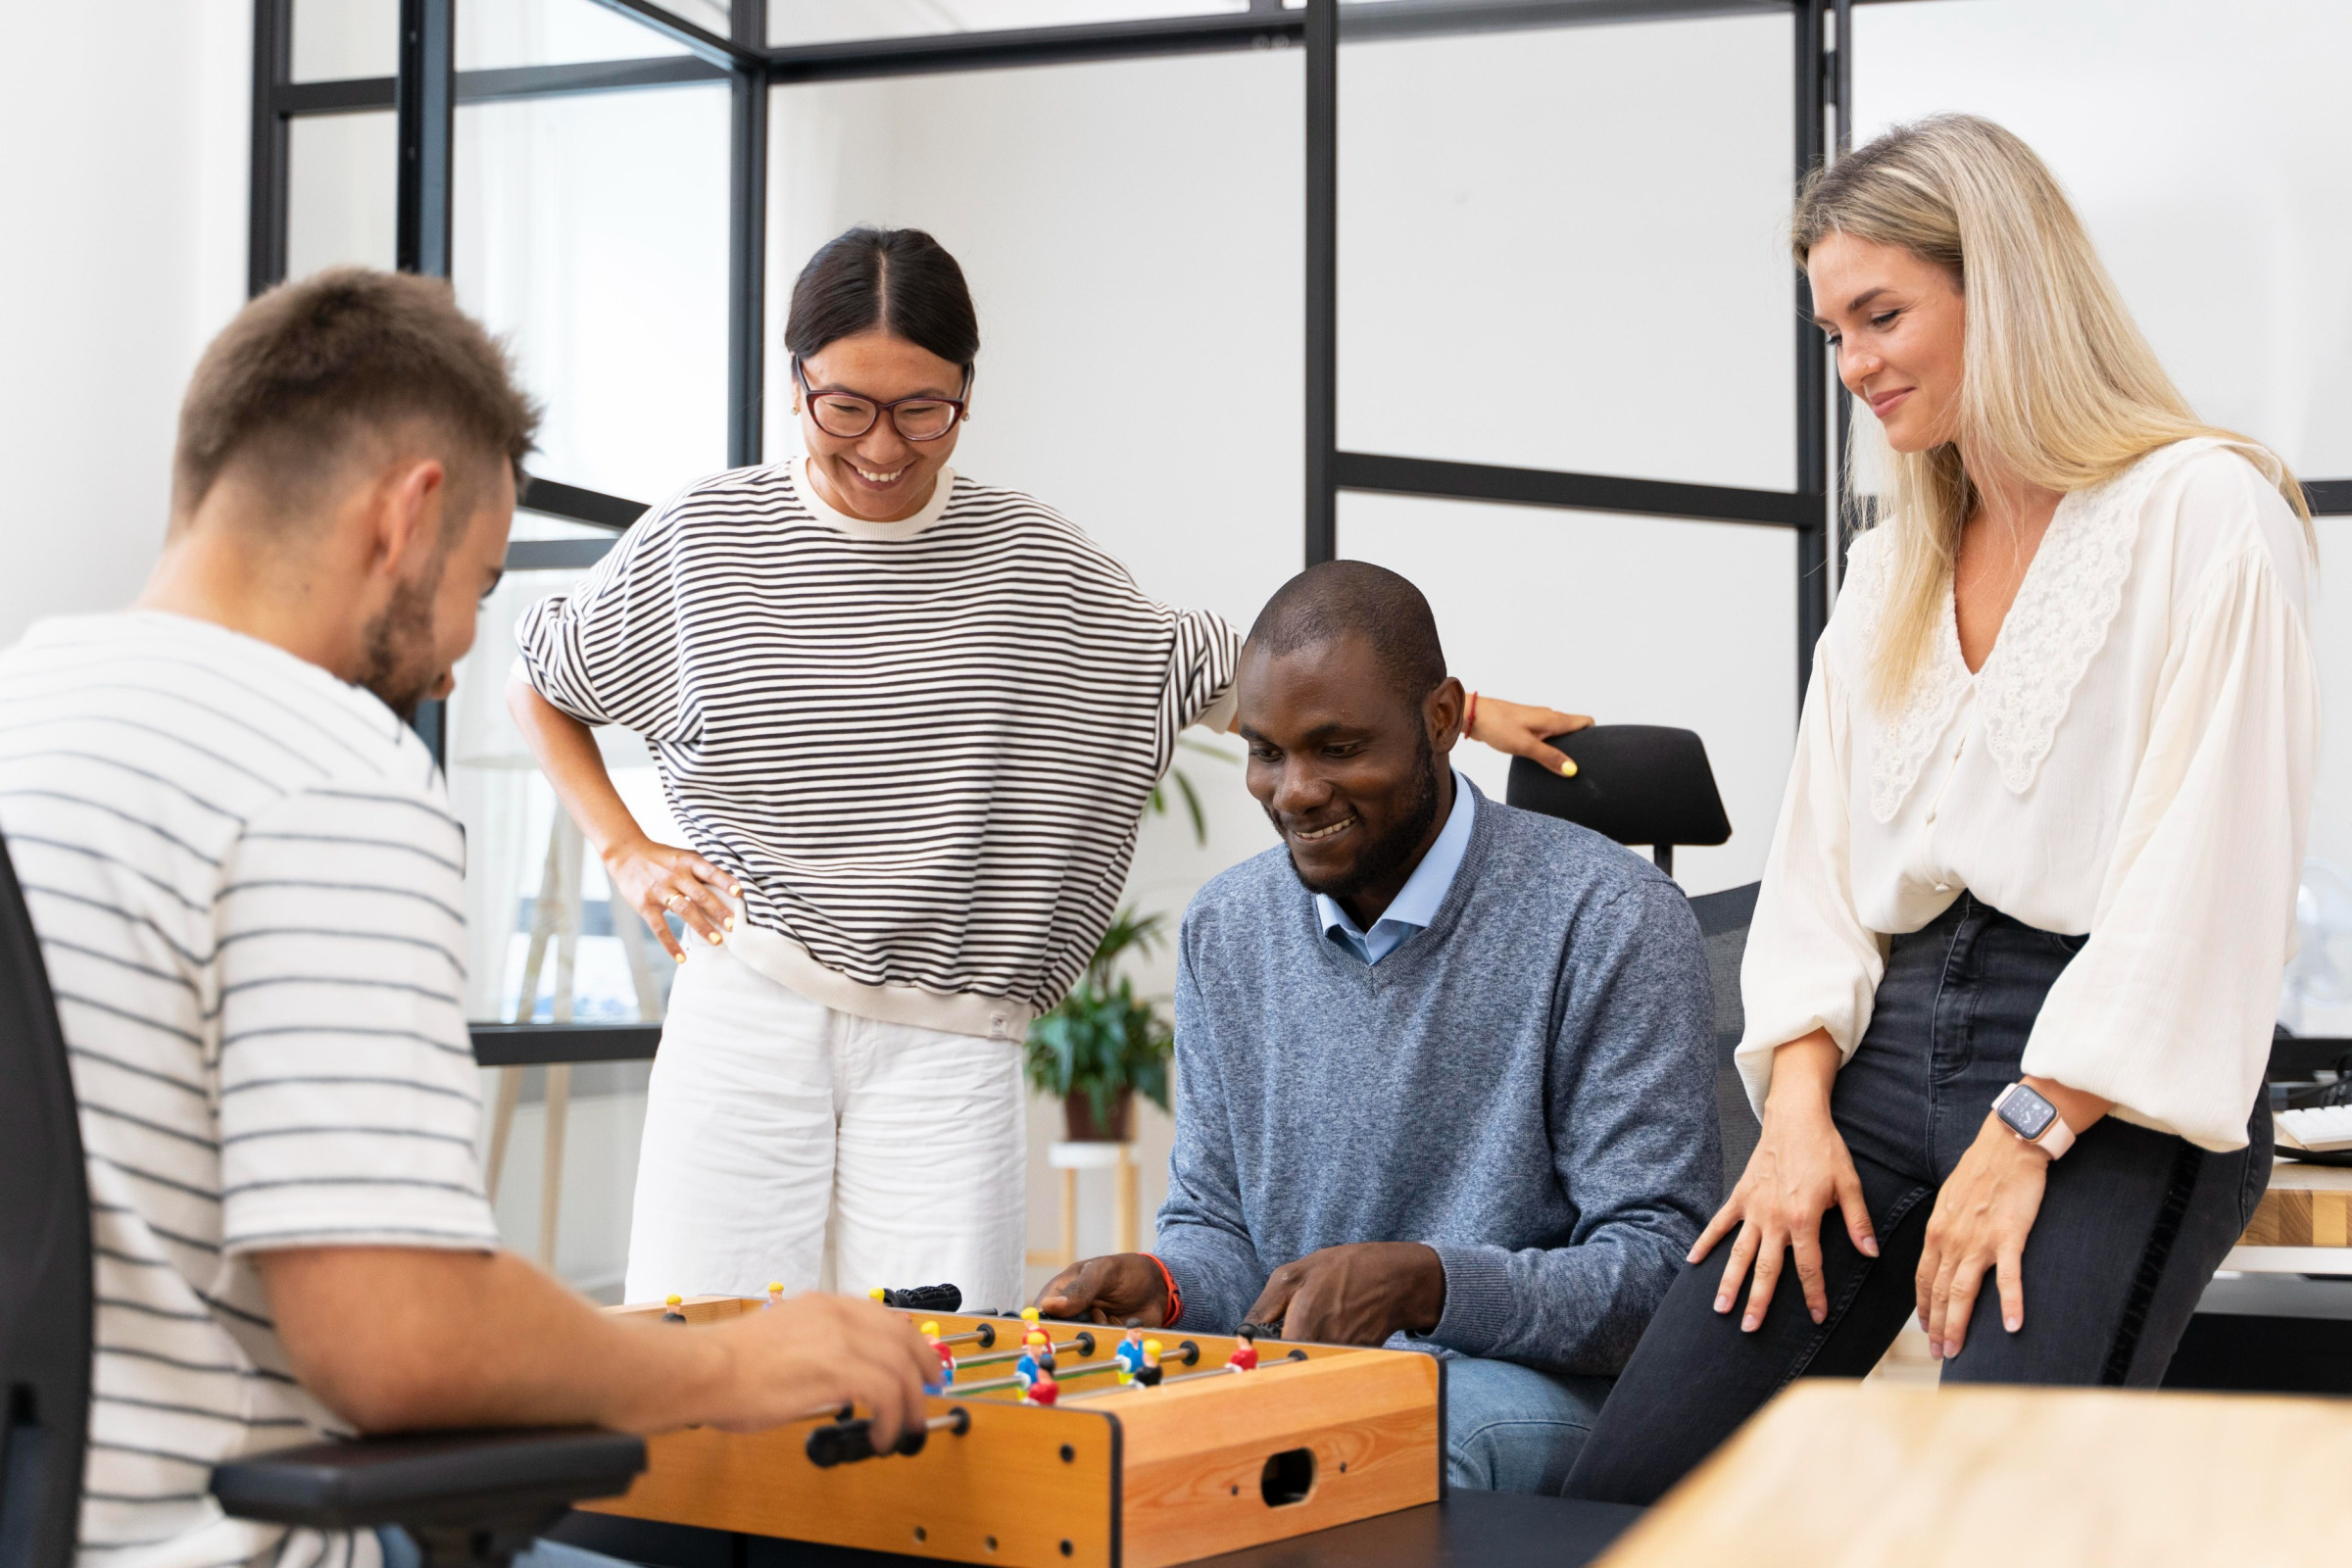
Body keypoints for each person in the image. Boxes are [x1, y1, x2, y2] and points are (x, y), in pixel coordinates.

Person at [0, 269, 933, 1568]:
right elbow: (399, 1341)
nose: (453, 666)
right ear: (409, 515)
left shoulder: (25, 708)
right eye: (482, 587)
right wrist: (726, 1362)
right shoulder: (322, 769)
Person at [505, 226, 1589, 1310]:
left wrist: (1469, 712)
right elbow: (540, 679)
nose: (884, 446)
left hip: (949, 1039)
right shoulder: (706, 538)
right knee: (700, 1360)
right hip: (746, 1004)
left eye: (923, 408)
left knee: (942, 1393)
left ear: (966, 394)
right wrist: (628, 848)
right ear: (797, 384)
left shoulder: (1031, 561)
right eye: (848, 405)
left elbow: (1233, 677)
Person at [1565, 116, 2316, 1504]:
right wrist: (1793, 1116)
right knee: (1630, 1493)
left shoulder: (2209, 513)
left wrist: (2028, 1128)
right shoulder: (1890, 561)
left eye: (1882, 315)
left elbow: (2206, 887)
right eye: (1832, 334)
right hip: (1871, 1056)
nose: (1854, 367)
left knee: (1990, 1504)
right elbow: (1816, 873)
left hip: (2107, 1083)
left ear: (2006, 285)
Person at [1035, 562, 1720, 1494]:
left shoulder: (1610, 918)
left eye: (1338, 747)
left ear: (1441, 719)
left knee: (1364, 1459)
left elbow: (1655, 1281)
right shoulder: (1226, 929)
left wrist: (1428, 1285)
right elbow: (1218, 1227)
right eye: (1266, 751)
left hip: (1538, 1388)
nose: (1296, 791)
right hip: (1316, 1382)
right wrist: (1167, 1285)